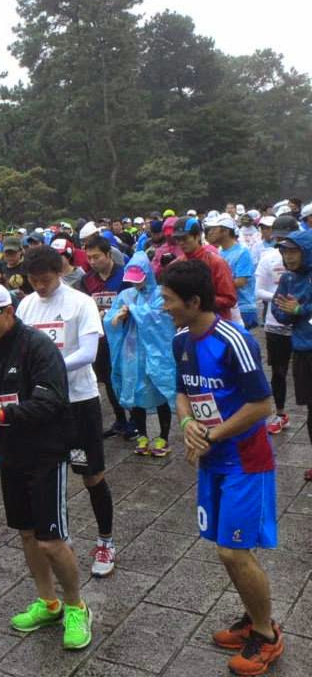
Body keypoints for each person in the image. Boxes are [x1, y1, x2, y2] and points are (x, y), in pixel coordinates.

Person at [161, 260, 283, 675]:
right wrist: (187, 425)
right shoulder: (181, 339)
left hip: (245, 461)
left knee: (233, 550)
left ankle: (266, 635)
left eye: (169, 300)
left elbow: (262, 405)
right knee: (226, 550)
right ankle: (253, 618)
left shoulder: (234, 340)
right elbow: (182, 392)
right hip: (212, 459)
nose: (164, 307)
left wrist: (212, 436)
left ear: (194, 301)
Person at [0, 282, 92, 651]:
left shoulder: (38, 346)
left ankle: (76, 607)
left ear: (7, 312)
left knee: (51, 540)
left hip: (46, 453)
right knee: (26, 533)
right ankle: (48, 602)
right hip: (12, 452)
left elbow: (50, 401)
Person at [17, 246, 116, 577]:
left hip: (79, 402)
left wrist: (48, 369)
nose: (40, 286)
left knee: (91, 475)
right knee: (47, 473)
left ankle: (106, 541)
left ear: (60, 271)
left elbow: (88, 353)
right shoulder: (27, 305)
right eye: (33, 280)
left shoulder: (80, 303)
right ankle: (61, 537)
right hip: (43, 405)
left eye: (45, 279)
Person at [104, 252, 176, 457]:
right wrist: (117, 316)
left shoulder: (161, 293)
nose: (136, 284)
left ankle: (163, 437)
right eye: (132, 280)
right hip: (131, 352)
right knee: (135, 392)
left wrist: (132, 310)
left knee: (160, 390)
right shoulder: (126, 295)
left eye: (139, 279)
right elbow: (111, 318)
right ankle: (142, 435)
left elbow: (161, 317)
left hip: (156, 352)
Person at [81, 235, 133, 438]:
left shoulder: (125, 276)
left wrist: (114, 313)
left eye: (96, 257)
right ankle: (120, 420)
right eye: (89, 258)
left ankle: (136, 422)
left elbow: (134, 302)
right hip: (101, 340)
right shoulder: (87, 280)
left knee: (128, 378)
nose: (92, 262)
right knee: (109, 380)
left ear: (109, 254)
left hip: (125, 337)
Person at [270, 228, 312, 480]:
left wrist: (300, 310)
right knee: (310, 410)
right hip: (302, 351)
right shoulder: (287, 279)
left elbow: (297, 311)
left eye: (294, 251)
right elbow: (278, 310)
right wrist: (292, 312)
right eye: (285, 252)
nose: (289, 257)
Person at [255, 216, 299, 435]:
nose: (283, 243)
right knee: (279, 371)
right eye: (279, 238)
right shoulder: (268, 258)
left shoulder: (306, 258)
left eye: (287, 237)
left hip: (303, 325)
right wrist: (279, 299)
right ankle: (280, 414)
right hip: (276, 324)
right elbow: (258, 290)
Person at [172, 217, 237, 321]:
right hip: (188, 324)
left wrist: (199, 302)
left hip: (216, 323)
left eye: (185, 238)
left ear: (198, 236)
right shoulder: (176, 264)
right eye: (177, 239)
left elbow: (230, 299)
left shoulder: (216, 262)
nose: (181, 243)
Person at [207, 214, 258, 328]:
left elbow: (240, 281)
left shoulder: (242, 252)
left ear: (225, 231)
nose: (211, 232)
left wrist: (213, 287)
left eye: (214, 229)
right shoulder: (220, 251)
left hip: (243, 307)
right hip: (227, 305)